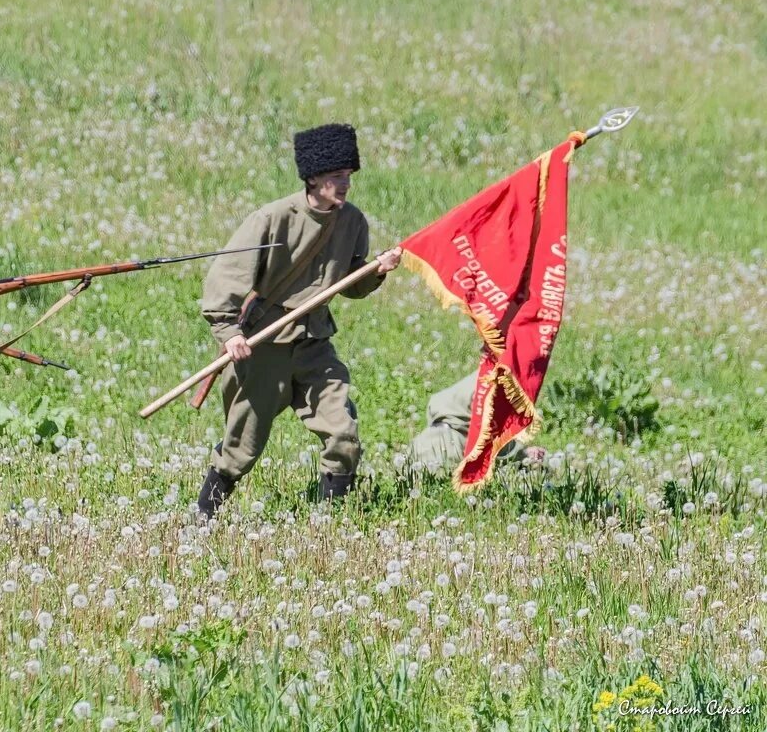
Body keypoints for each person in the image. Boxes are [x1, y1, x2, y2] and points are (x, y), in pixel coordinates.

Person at [196, 123, 401, 517]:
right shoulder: (272, 218)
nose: (345, 185)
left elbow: (352, 284)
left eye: (348, 176)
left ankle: (329, 523)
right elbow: (227, 275)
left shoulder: (352, 222)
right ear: (313, 178)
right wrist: (228, 331)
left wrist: (377, 270)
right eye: (336, 176)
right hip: (264, 344)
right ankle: (202, 519)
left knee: (343, 431)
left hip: (314, 343)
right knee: (242, 447)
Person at [407, 373, 544, 468]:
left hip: (421, 444)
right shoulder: (498, 386)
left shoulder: (483, 376)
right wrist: (523, 454)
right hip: (446, 452)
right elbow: (494, 438)